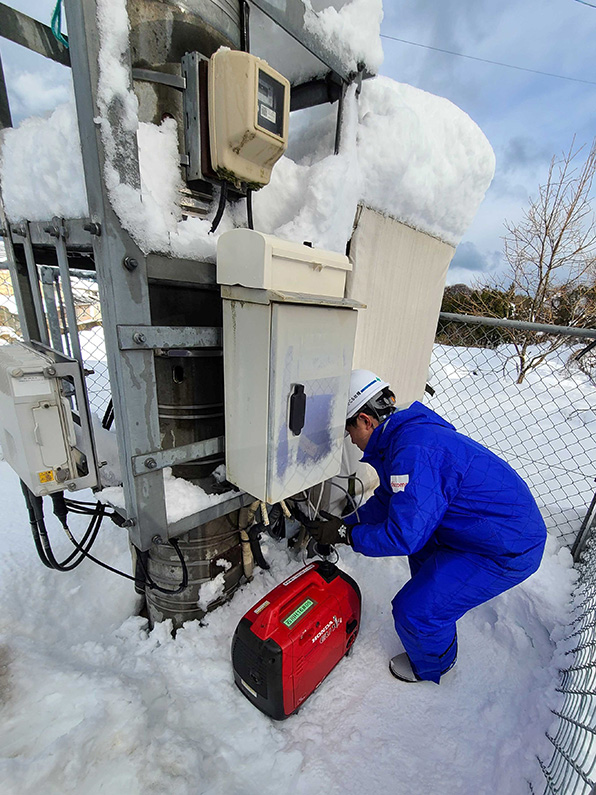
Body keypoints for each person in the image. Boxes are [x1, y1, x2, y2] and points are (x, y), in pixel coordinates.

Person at [308, 369, 547, 684]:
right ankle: (437, 609)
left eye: (349, 430)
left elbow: (404, 535)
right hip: (483, 530)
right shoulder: (406, 436)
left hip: (506, 549)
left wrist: (346, 535)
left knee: (414, 611)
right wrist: (346, 523)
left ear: (366, 421)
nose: (350, 440)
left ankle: (436, 664)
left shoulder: (414, 453)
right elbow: (388, 501)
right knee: (425, 565)